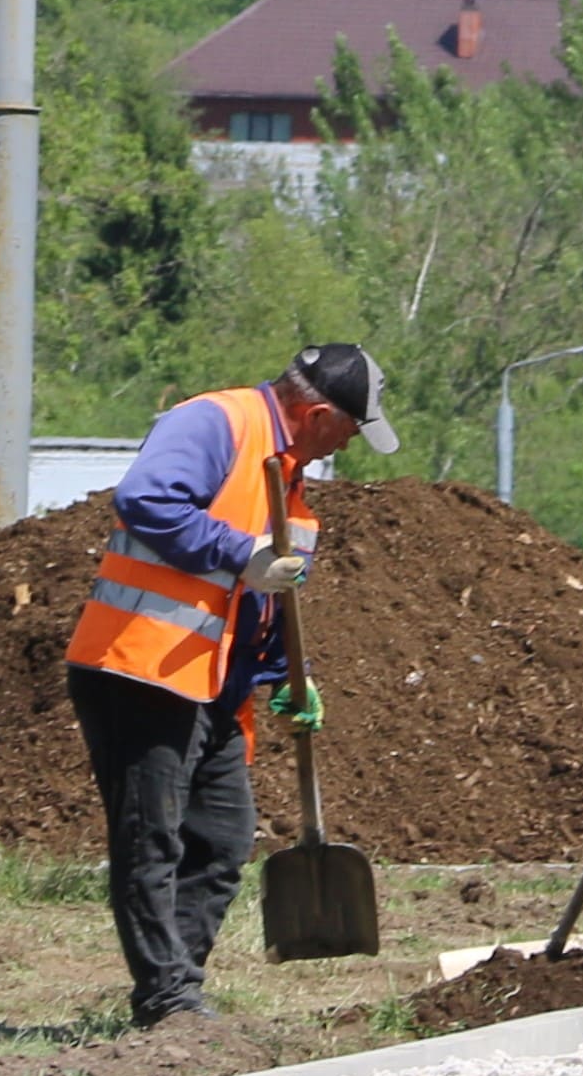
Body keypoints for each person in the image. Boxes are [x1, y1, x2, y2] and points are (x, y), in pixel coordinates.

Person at [63, 341, 399, 1025]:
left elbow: (264, 597)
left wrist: (284, 676)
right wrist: (239, 553)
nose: (351, 445)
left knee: (220, 835)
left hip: (213, 679)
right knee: (150, 836)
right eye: (351, 428)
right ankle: (167, 1000)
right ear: (316, 413)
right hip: (141, 665)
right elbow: (144, 499)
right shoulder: (216, 423)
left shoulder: (293, 482)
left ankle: (174, 991)